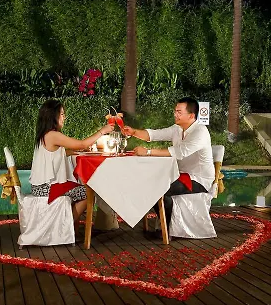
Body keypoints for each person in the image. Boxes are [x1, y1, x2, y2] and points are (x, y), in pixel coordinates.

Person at [122, 97, 214, 231]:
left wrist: (148, 152)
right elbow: (154, 134)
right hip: (179, 175)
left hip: (199, 179)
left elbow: (180, 152)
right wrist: (133, 132)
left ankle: (172, 229)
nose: (175, 114)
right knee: (150, 186)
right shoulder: (177, 129)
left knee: (158, 189)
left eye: (179, 112)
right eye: (175, 111)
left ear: (191, 115)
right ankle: (168, 228)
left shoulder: (200, 131)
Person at [30, 99, 114, 232]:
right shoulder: (53, 135)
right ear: (53, 116)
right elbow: (81, 143)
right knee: (89, 192)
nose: (64, 117)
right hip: (46, 188)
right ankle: (64, 226)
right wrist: (102, 131)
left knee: (80, 188)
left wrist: (75, 151)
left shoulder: (45, 134)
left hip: (41, 186)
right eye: (62, 114)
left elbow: (59, 152)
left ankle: (69, 226)